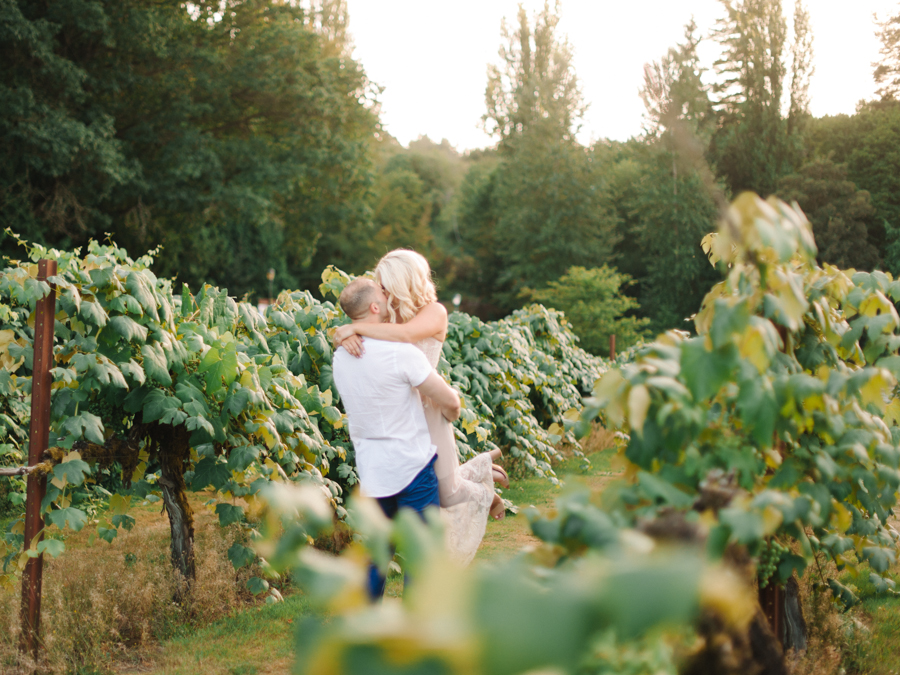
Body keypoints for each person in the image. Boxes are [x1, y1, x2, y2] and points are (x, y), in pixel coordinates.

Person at [333, 249, 507, 566]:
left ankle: (488, 493)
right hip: (399, 411)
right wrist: (344, 335)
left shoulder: (434, 312)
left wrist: (352, 329)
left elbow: (406, 335)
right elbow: (370, 336)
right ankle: (482, 470)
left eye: (385, 286)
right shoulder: (386, 316)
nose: (381, 293)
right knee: (436, 489)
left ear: (403, 282)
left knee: (448, 493)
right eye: (379, 287)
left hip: (429, 408)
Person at [332, 277, 461, 599]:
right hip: (412, 466)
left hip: (373, 470)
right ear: (376, 307)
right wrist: (450, 413)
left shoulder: (340, 357)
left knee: (376, 555)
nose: (390, 297)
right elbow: (450, 401)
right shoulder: (401, 353)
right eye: (384, 295)